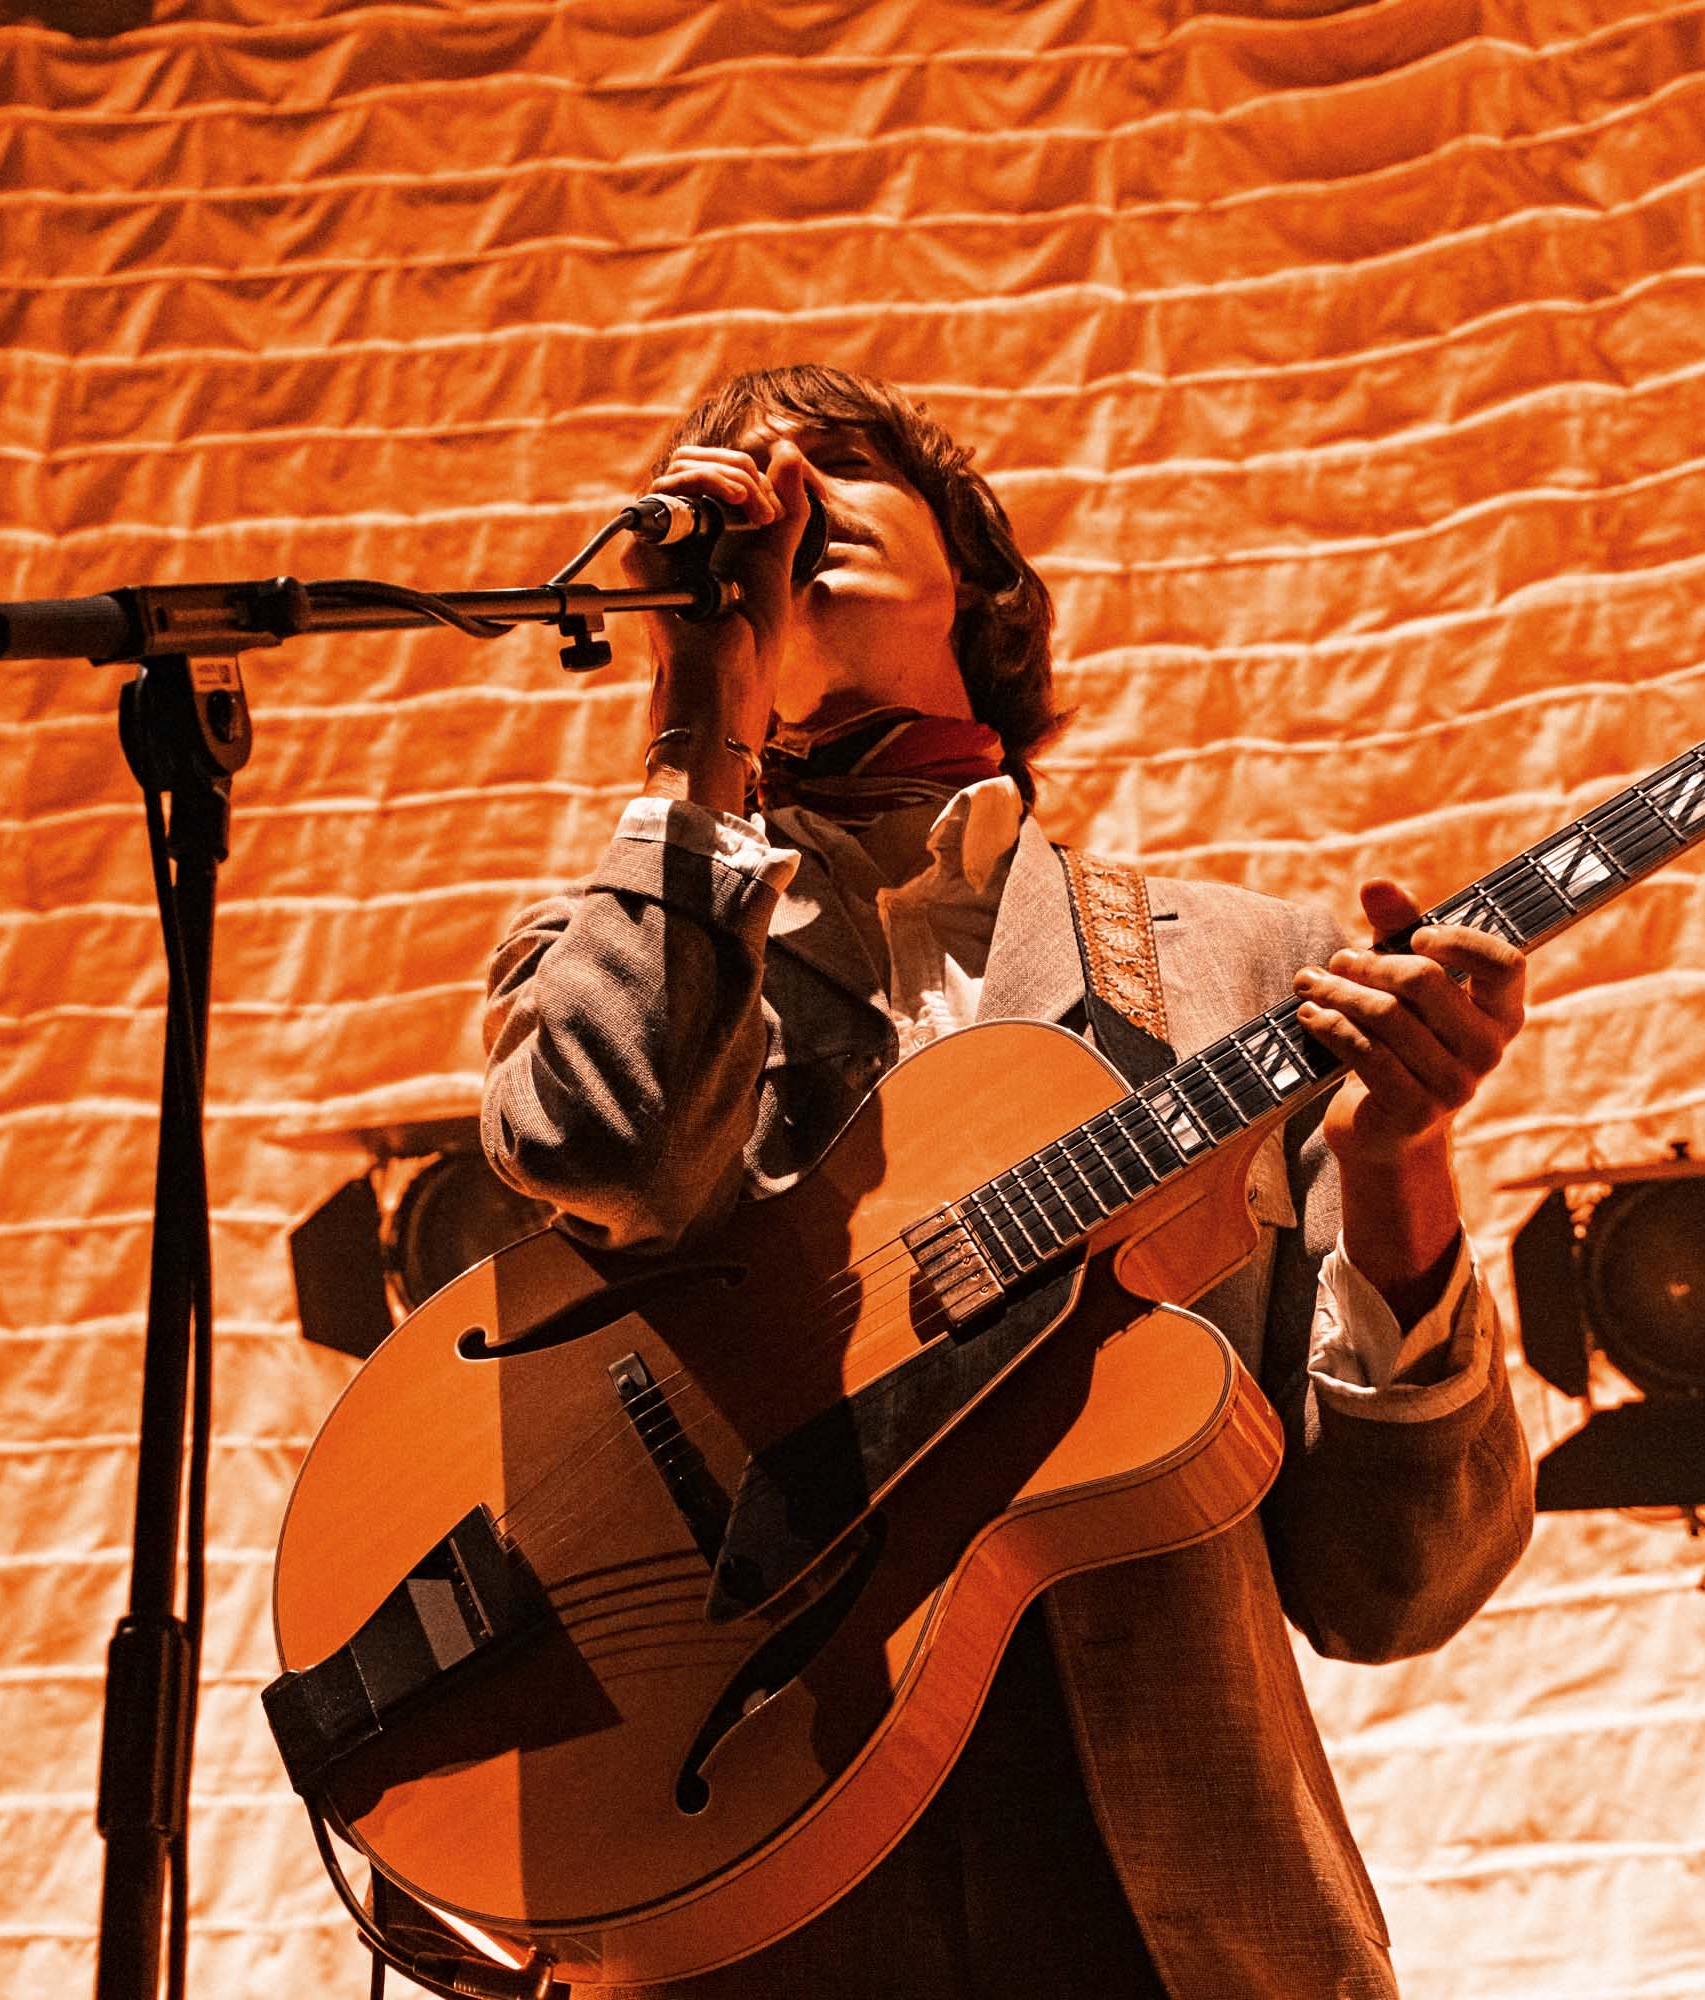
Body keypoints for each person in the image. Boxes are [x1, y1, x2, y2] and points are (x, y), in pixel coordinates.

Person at [478, 365, 1534, 1998]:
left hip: (1183, 1934)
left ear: (974, 572)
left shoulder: (1253, 966)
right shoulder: (597, 950)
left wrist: (1400, 1173)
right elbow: (612, 1146)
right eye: (739, 491)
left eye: (835, 467)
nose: (785, 504)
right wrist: (701, 722)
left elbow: (1393, 1589)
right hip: (743, 1912)